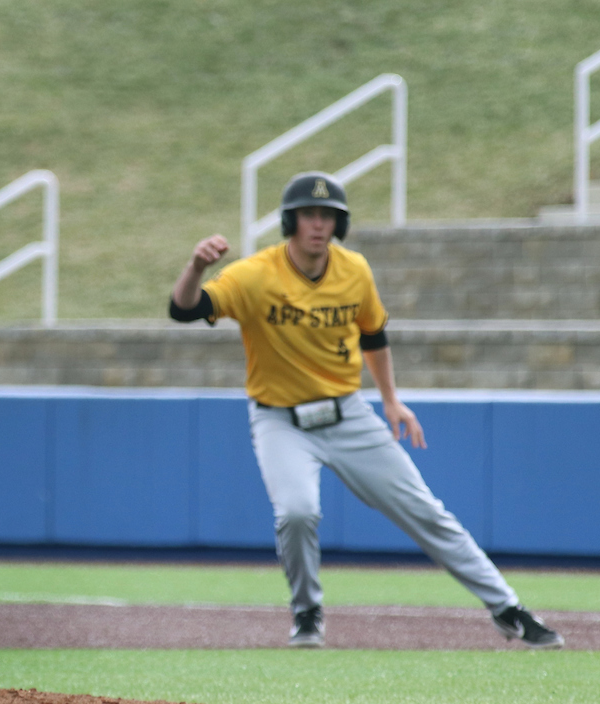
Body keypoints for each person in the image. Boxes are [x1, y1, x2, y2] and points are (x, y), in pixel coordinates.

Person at [168, 171, 564, 650]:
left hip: (347, 412)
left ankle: (508, 608)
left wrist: (391, 398)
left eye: (328, 215)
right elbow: (185, 310)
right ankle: (307, 611)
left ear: (340, 223)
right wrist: (194, 267)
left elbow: (373, 334)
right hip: (279, 419)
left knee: (424, 509)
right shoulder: (256, 275)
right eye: (309, 214)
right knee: (296, 512)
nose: (318, 224)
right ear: (291, 220)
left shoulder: (353, 269)